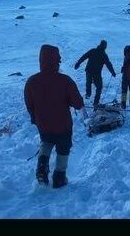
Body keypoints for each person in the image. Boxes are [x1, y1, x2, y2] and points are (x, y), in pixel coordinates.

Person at [25, 44, 86, 188]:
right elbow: (77, 103)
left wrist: (35, 118)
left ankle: (41, 168)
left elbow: (29, 105)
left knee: (46, 142)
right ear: (56, 60)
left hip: (43, 125)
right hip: (63, 125)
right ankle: (59, 176)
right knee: (63, 149)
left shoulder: (31, 82)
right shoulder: (65, 81)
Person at [74, 40, 116, 107]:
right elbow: (108, 64)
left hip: (89, 71)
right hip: (96, 73)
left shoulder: (93, 50)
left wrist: (78, 63)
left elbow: (84, 56)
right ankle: (95, 103)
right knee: (99, 87)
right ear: (105, 47)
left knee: (88, 83)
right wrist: (113, 72)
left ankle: (88, 95)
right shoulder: (103, 55)